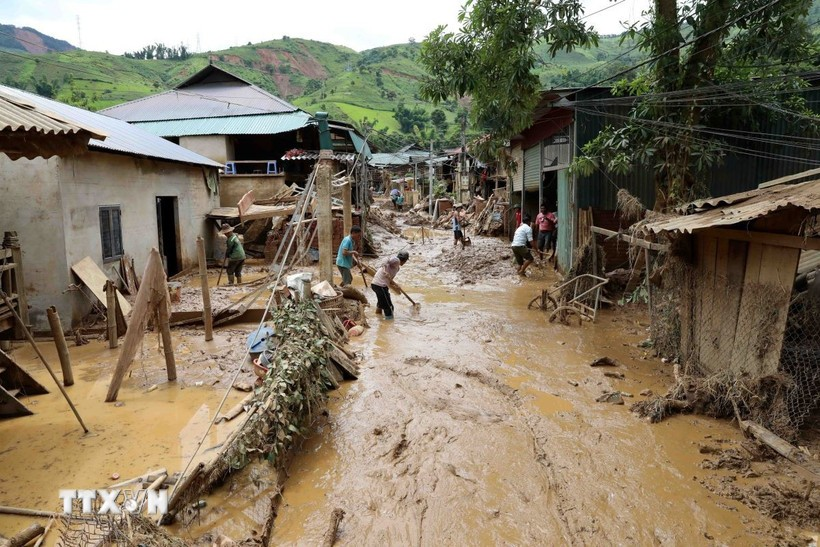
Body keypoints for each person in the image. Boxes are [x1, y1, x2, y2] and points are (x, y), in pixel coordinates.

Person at [371, 251, 409, 320]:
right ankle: (389, 323)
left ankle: (378, 318)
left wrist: (396, 286)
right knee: (389, 307)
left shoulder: (397, 268)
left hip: (380, 285)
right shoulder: (397, 260)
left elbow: (390, 281)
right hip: (379, 285)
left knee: (382, 302)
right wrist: (384, 270)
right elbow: (386, 259)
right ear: (404, 260)